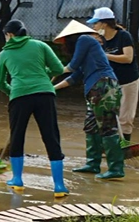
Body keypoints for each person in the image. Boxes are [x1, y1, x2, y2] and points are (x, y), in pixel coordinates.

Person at [0, 19, 68, 197]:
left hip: (19, 97)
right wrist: (43, 74)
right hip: (45, 95)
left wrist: (12, 90)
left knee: (17, 136)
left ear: (10, 35)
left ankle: (17, 180)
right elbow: (58, 68)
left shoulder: (4, 54)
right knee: (51, 136)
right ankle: (59, 186)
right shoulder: (40, 45)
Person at [53, 20, 124, 180]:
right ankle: (92, 164)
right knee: (91, 127)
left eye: (64, 41)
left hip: (103, 86)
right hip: (95, 89)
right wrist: (53, 88)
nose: (63, 45)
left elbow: (72, 66)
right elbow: (75, 76)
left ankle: (116, 168)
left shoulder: (85, 40)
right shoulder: (86, 50)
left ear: (71, 37)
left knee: (107, 127)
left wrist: (55, 70)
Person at [86, 7, 139, 145]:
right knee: (108, 116)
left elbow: (128, 58)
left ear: (104, 23)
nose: (94, 26)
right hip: (110, 82)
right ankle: (110, 146)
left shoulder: (123, 36)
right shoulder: (100, 39)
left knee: (125, 117)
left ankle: (125, 146)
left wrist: (105, 55)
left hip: (128, 81)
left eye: (96, 23)